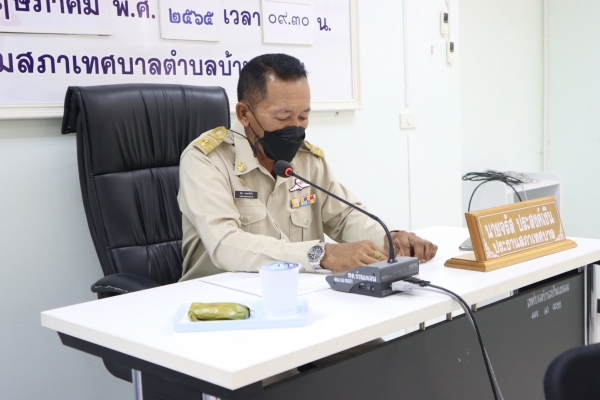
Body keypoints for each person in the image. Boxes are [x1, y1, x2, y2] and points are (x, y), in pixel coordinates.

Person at [178, 53, 437, 281]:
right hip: (219, 302)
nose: (296, 127)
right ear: (244, 113)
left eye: (303, 116)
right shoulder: (205, 160)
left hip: (297, 295)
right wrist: (322, 254)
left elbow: (345, 216)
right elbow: (225, 244)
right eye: (283, 116)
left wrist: (389, 238)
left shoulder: (306, 159)